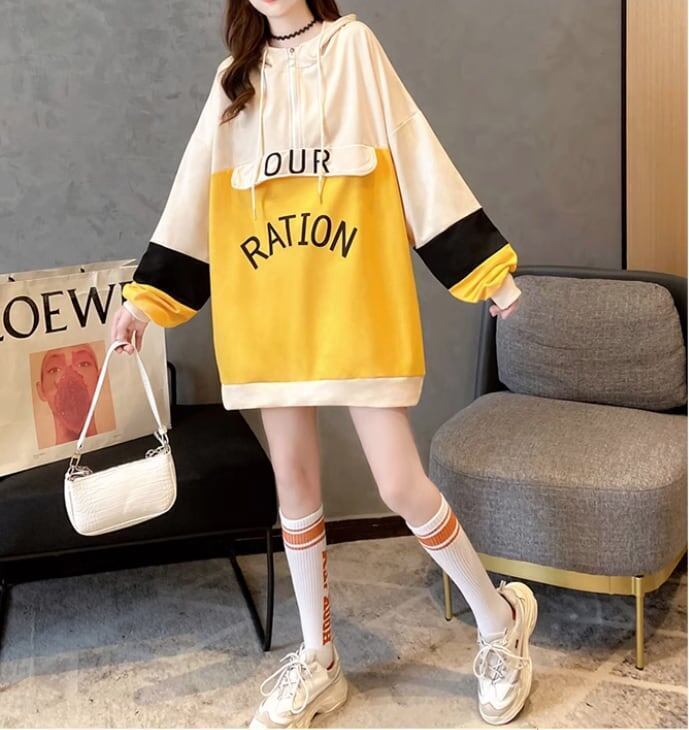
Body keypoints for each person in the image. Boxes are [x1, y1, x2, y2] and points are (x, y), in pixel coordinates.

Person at [110, 1, 538, 727]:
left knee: (399, 483)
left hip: (354, 302)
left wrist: (485, 273)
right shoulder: (235, 79)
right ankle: (320, 658)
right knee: (295, 485)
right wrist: (145, 301)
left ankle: (500, 621)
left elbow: (415, 152)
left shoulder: (353, 47)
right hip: (267, 313)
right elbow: (193, 193)